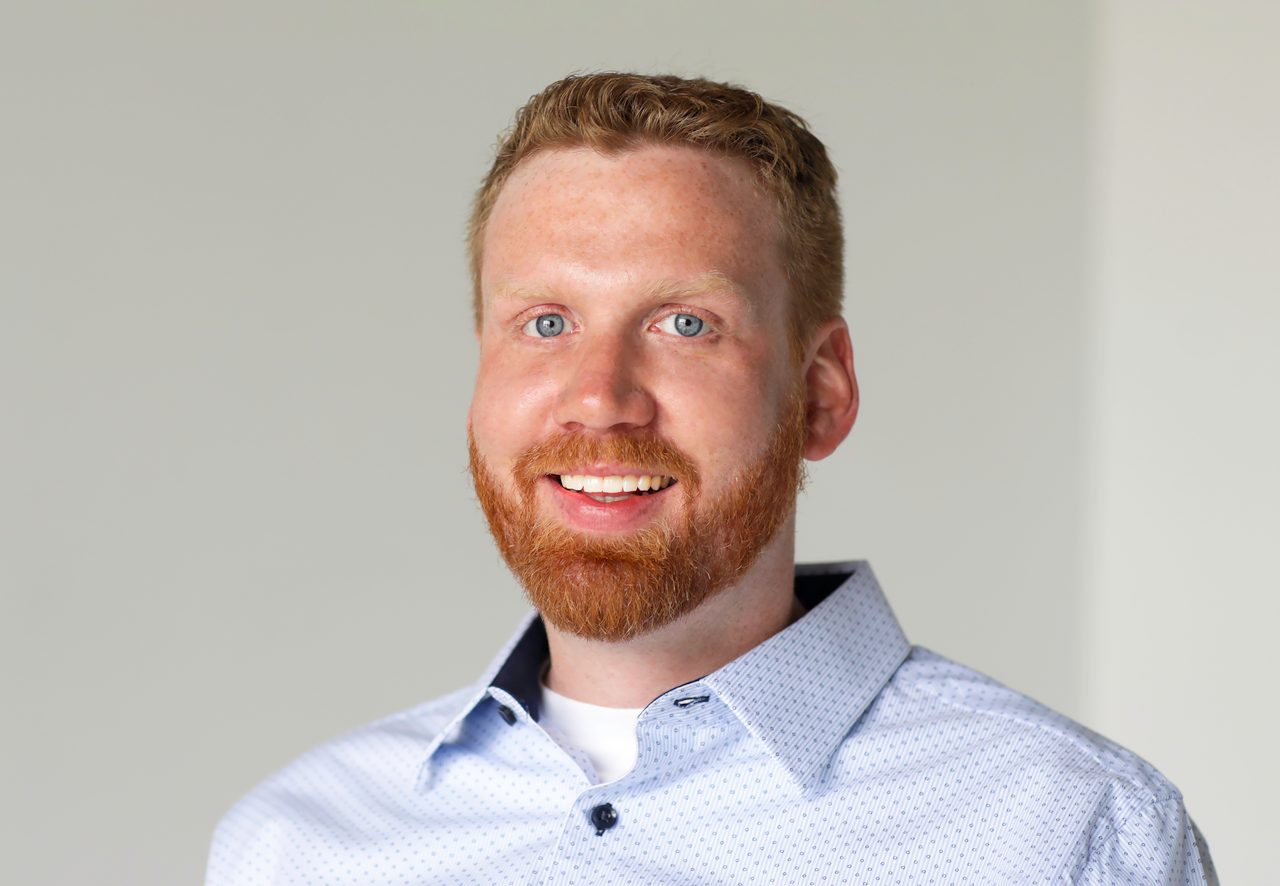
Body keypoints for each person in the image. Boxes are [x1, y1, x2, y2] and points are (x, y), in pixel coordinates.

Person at [207, 73, 1216, 885]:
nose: (598, 399)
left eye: (684, 324)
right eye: (544, 323)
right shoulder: (295, 846)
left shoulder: (1065, 833)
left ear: (820, 394)